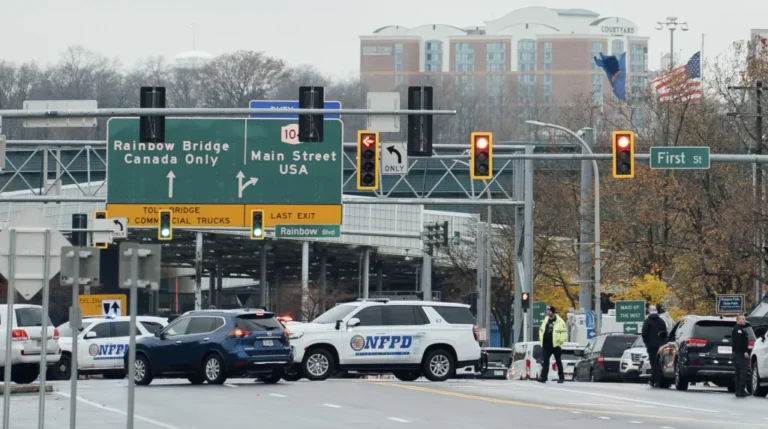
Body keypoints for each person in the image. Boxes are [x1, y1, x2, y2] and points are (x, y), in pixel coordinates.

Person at [538, 305, 567, 383]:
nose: (548, 312)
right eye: (547, 311)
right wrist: (541, 340)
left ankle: (561, 378)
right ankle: (543, 377)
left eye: (549, 311)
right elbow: (541, 330)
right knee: (545, 361)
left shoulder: (560, 321)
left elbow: (564, 334)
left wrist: (560, 343)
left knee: (558, 361)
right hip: (546, 344)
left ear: (553, 312)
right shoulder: (546, 319)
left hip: (556, 345)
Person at [641, 305, 667, 387]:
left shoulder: (647, 321)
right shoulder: (661, 321)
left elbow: (644, 333)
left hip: (652, 346)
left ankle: (655, 379)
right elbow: (665, 332)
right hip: (661, 345)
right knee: (660, 362)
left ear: (649, 312)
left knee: (654, 363)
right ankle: (660, 379)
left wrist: (647, 342)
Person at [732, 314, 751, 398]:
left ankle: (739, 391)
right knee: (743, 372)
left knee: (739, 373)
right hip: (740, 354)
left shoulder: (739, 329)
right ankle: (741, 391)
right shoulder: (738, 330)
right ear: (738, 320)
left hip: (738, 354)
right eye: (743, 319)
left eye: (744, 319)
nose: (744, 320)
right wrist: (744, 352)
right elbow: (739, 343)